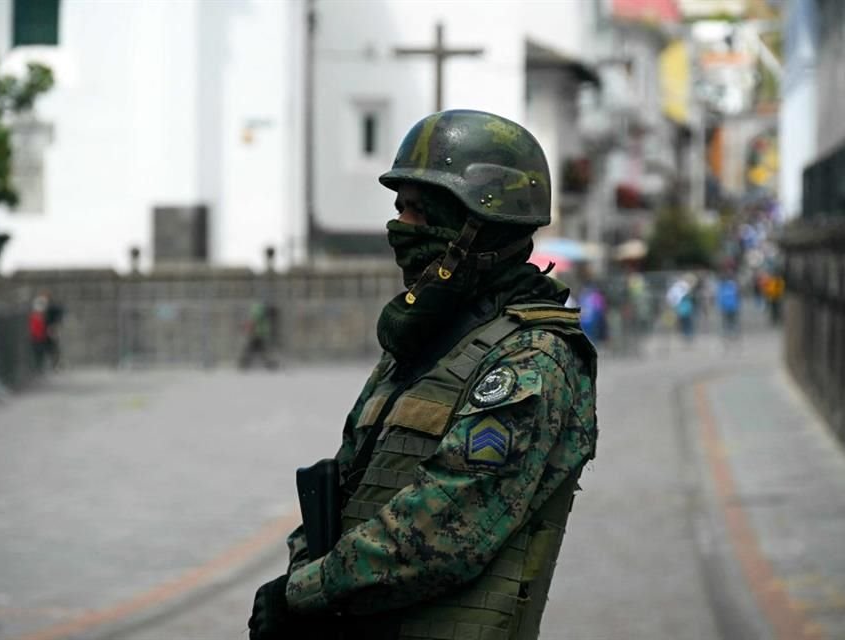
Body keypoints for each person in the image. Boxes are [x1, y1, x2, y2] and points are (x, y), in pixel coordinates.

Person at [248, 110, 598, 640]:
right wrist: (301, 566)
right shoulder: (420, 345)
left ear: (477, 227)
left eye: (421, 211)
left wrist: (302, 593)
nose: (401, 228)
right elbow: (349, 480)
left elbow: (447, 529)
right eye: (400, 208)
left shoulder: (532, 359)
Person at [239, 301, 278, 370]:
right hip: (259, 335)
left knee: (254, 350)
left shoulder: (260, 317)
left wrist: (249, 329)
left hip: (258, 335)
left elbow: (252, 324)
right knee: (259, 351)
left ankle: (244, 364)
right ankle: (270, 365)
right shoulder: (263, 317)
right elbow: (253, 325)